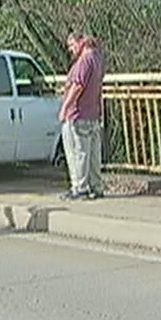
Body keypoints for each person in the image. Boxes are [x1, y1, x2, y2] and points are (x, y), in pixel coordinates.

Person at [59, 32, 105, 200]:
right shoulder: (98, 59)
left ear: (81, 42)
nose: (71, 50)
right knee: (93, 154)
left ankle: (80, 187)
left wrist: (65, 107)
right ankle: (96, 186)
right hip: (92, 113)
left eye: (72, 45)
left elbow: (77, 85)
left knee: (77, 152)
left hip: (78, 114)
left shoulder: (84, 61)